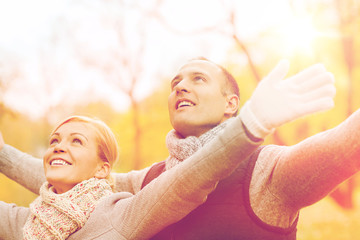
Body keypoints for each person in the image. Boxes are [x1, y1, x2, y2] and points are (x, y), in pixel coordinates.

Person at [0, 58, 341, 239]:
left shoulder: (268, 171)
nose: (181, 87)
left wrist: (252, 124)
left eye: (198, 79)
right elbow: (77, 177)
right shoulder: (147, 180)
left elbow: (343, 148)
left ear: (231, 103)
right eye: (175, 82)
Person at [0, 115, 262, 239]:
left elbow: (186, 180)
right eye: (54, 140)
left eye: (76, 141)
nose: (58, 146)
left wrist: (252, 126)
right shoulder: (26, 222)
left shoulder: (118, 215)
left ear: (102, 169)